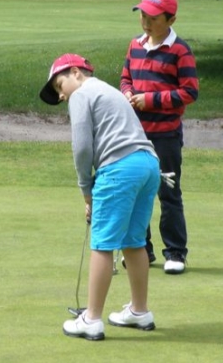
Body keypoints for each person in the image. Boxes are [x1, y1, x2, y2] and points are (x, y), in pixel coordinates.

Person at [39, 53, 161, 341]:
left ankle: (91, 319)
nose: (61, 96)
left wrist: (86, 192)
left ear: (75, 72)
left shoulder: (82, 94)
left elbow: (82, 148)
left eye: (60, 85)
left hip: (119, 169)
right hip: (148, 165)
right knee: (134, 241)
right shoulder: (110, 90)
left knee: (103, 244)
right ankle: (140, 311)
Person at [121, 0, 199, 275]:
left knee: (168, 193)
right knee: (137, 193)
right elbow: (126, 77)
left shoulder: (180, 50)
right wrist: (129, 93)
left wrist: (150, 100)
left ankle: (175, 252)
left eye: (153, 17)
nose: (146, 21)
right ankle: (142, 249)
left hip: (165, 135)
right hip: (136, 136)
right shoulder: (135, 45)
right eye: (143, 14)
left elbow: (189, 92)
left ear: (171, 18)